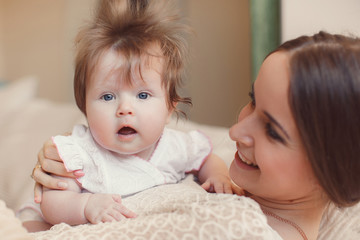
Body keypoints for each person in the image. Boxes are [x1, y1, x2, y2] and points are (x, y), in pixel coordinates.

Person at [32, 31, 360, 239]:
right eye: (252, 100)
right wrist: (79, 148)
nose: (235, 131)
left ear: (334, 169)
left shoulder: (240, 227)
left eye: (272, 131)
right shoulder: (239, 177)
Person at [24, 0, 239, 230]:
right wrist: (85, 204)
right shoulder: (82, 152)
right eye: (108, 97)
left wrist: (218, 176)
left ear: (170, 108)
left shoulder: (176, 146)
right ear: (84, 108)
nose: (125, 108)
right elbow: (52, 203)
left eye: (143, 95)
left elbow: (205, 158)